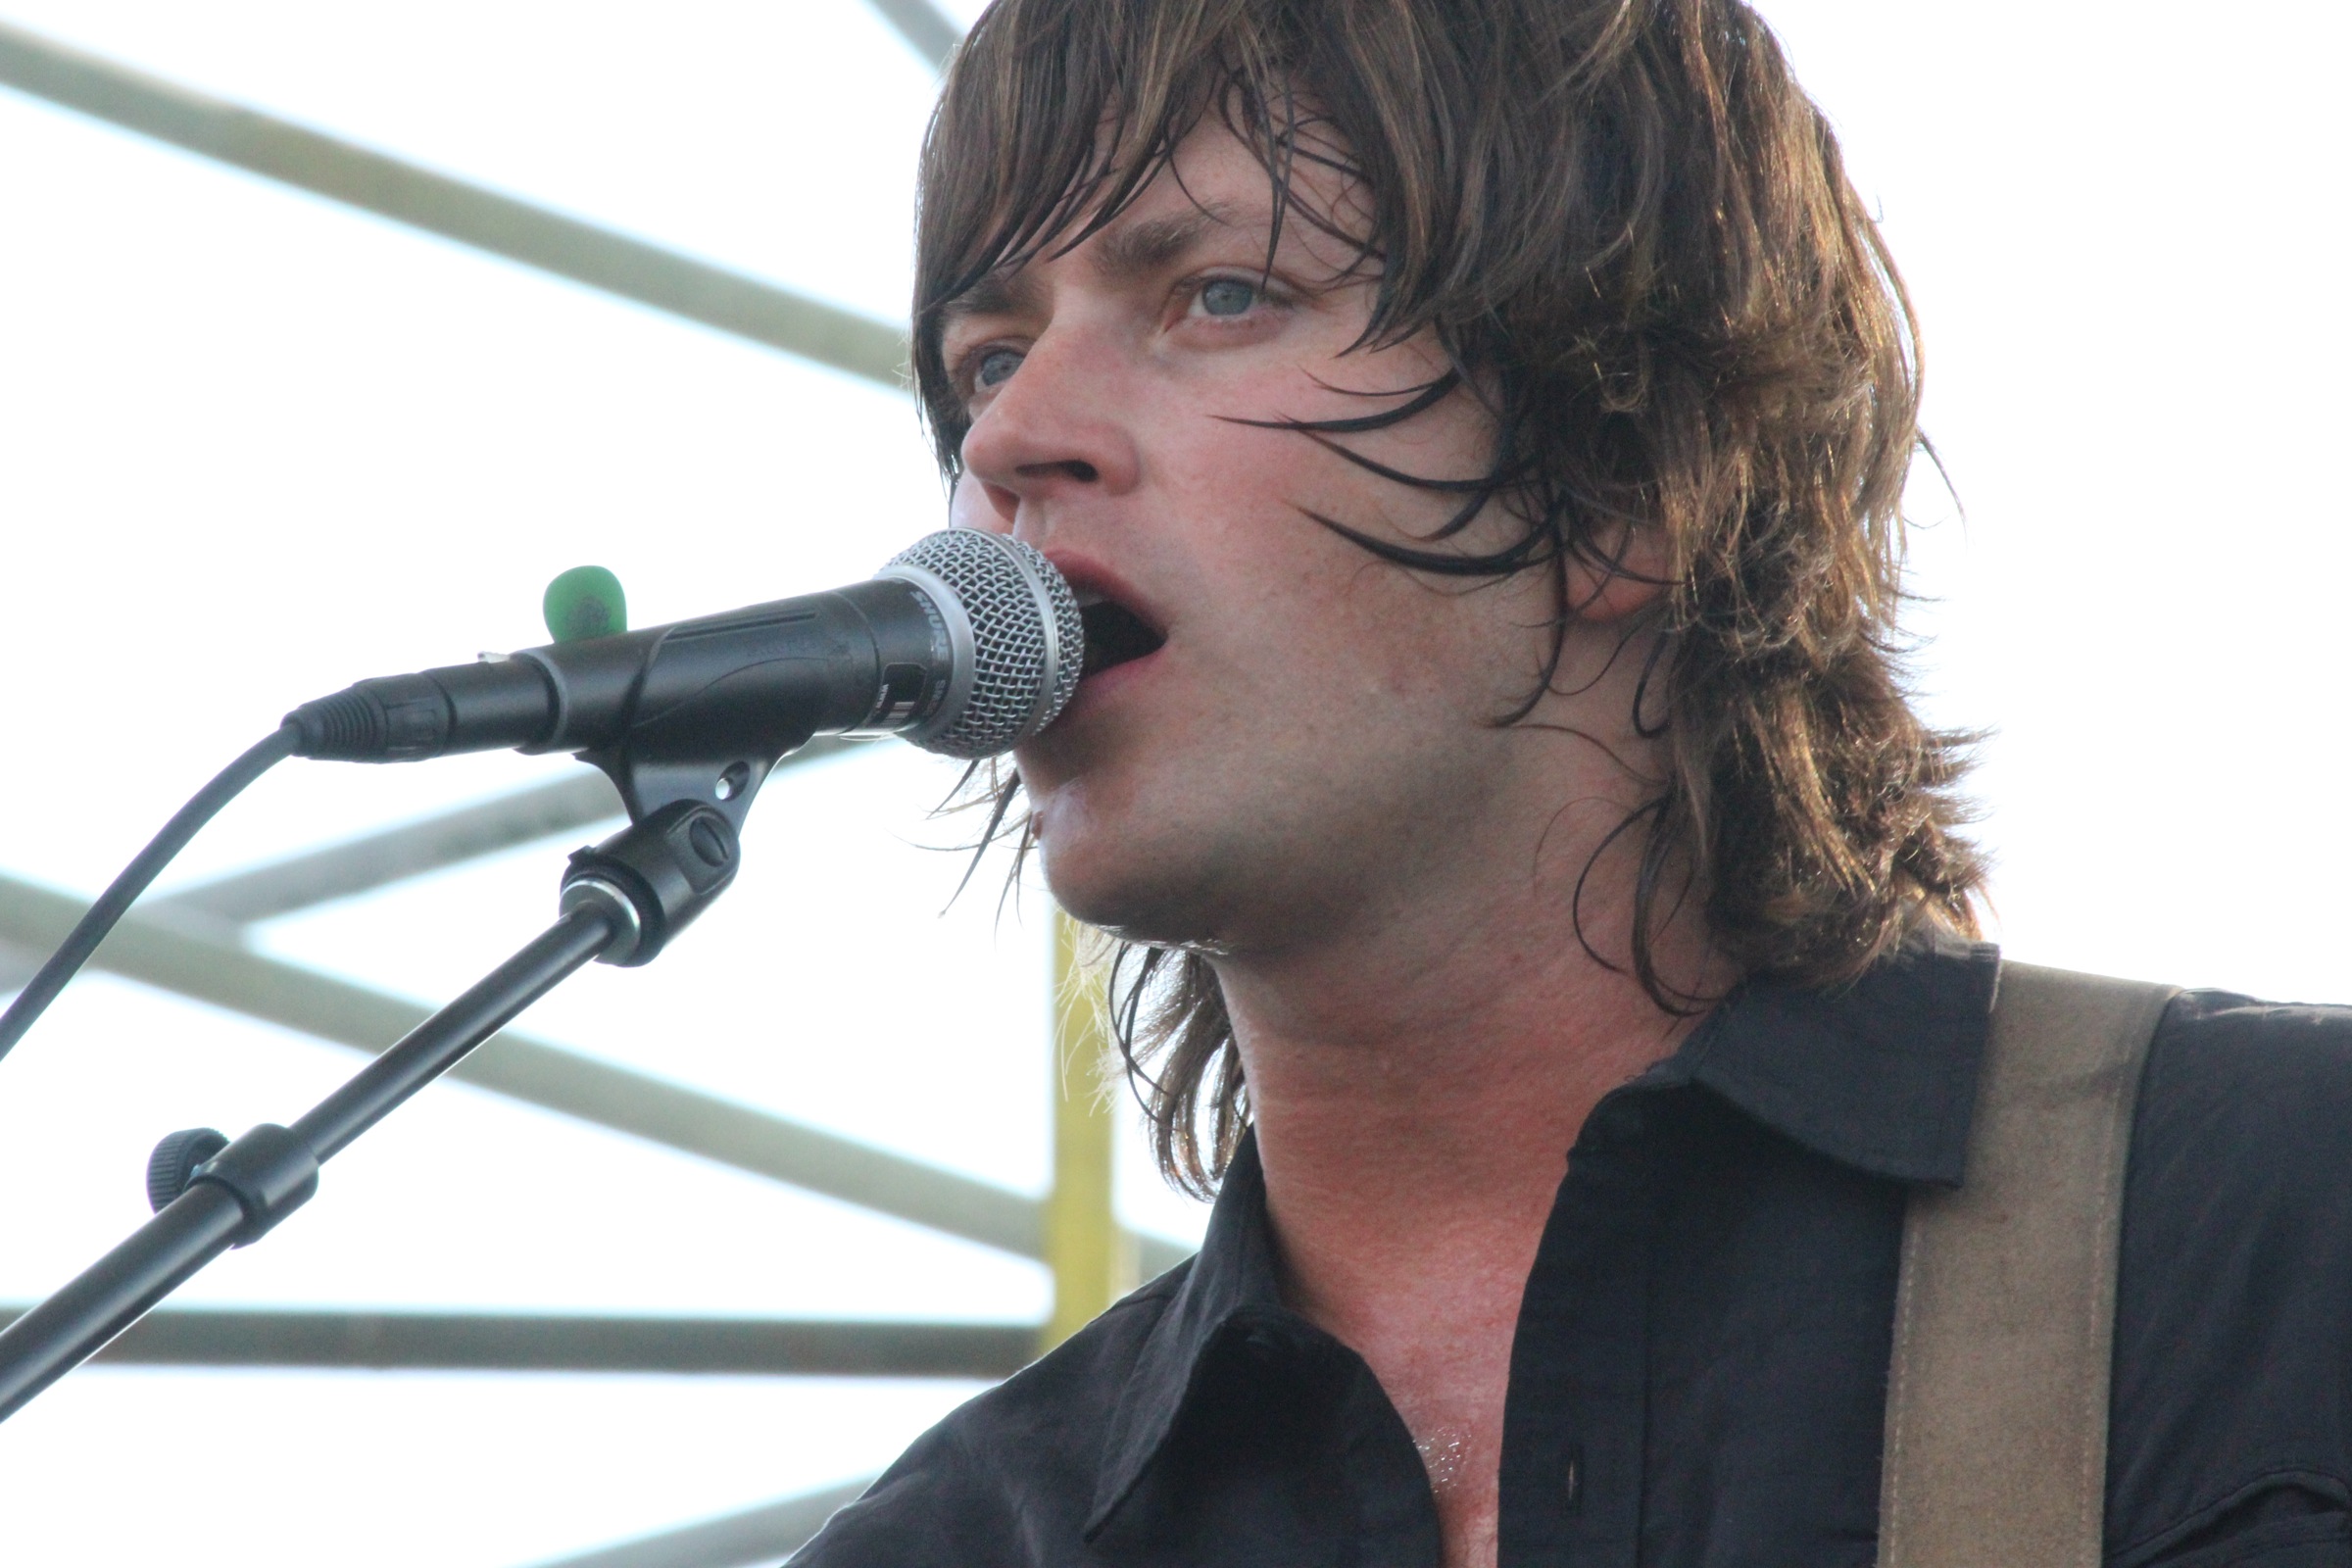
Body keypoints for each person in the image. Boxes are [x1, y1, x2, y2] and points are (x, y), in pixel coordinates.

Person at [795, 0, 2352, 1563]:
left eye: (1223, 292)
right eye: (987, 359)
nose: (1011, 439)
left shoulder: (2285, 1228)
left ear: (1627, 476)